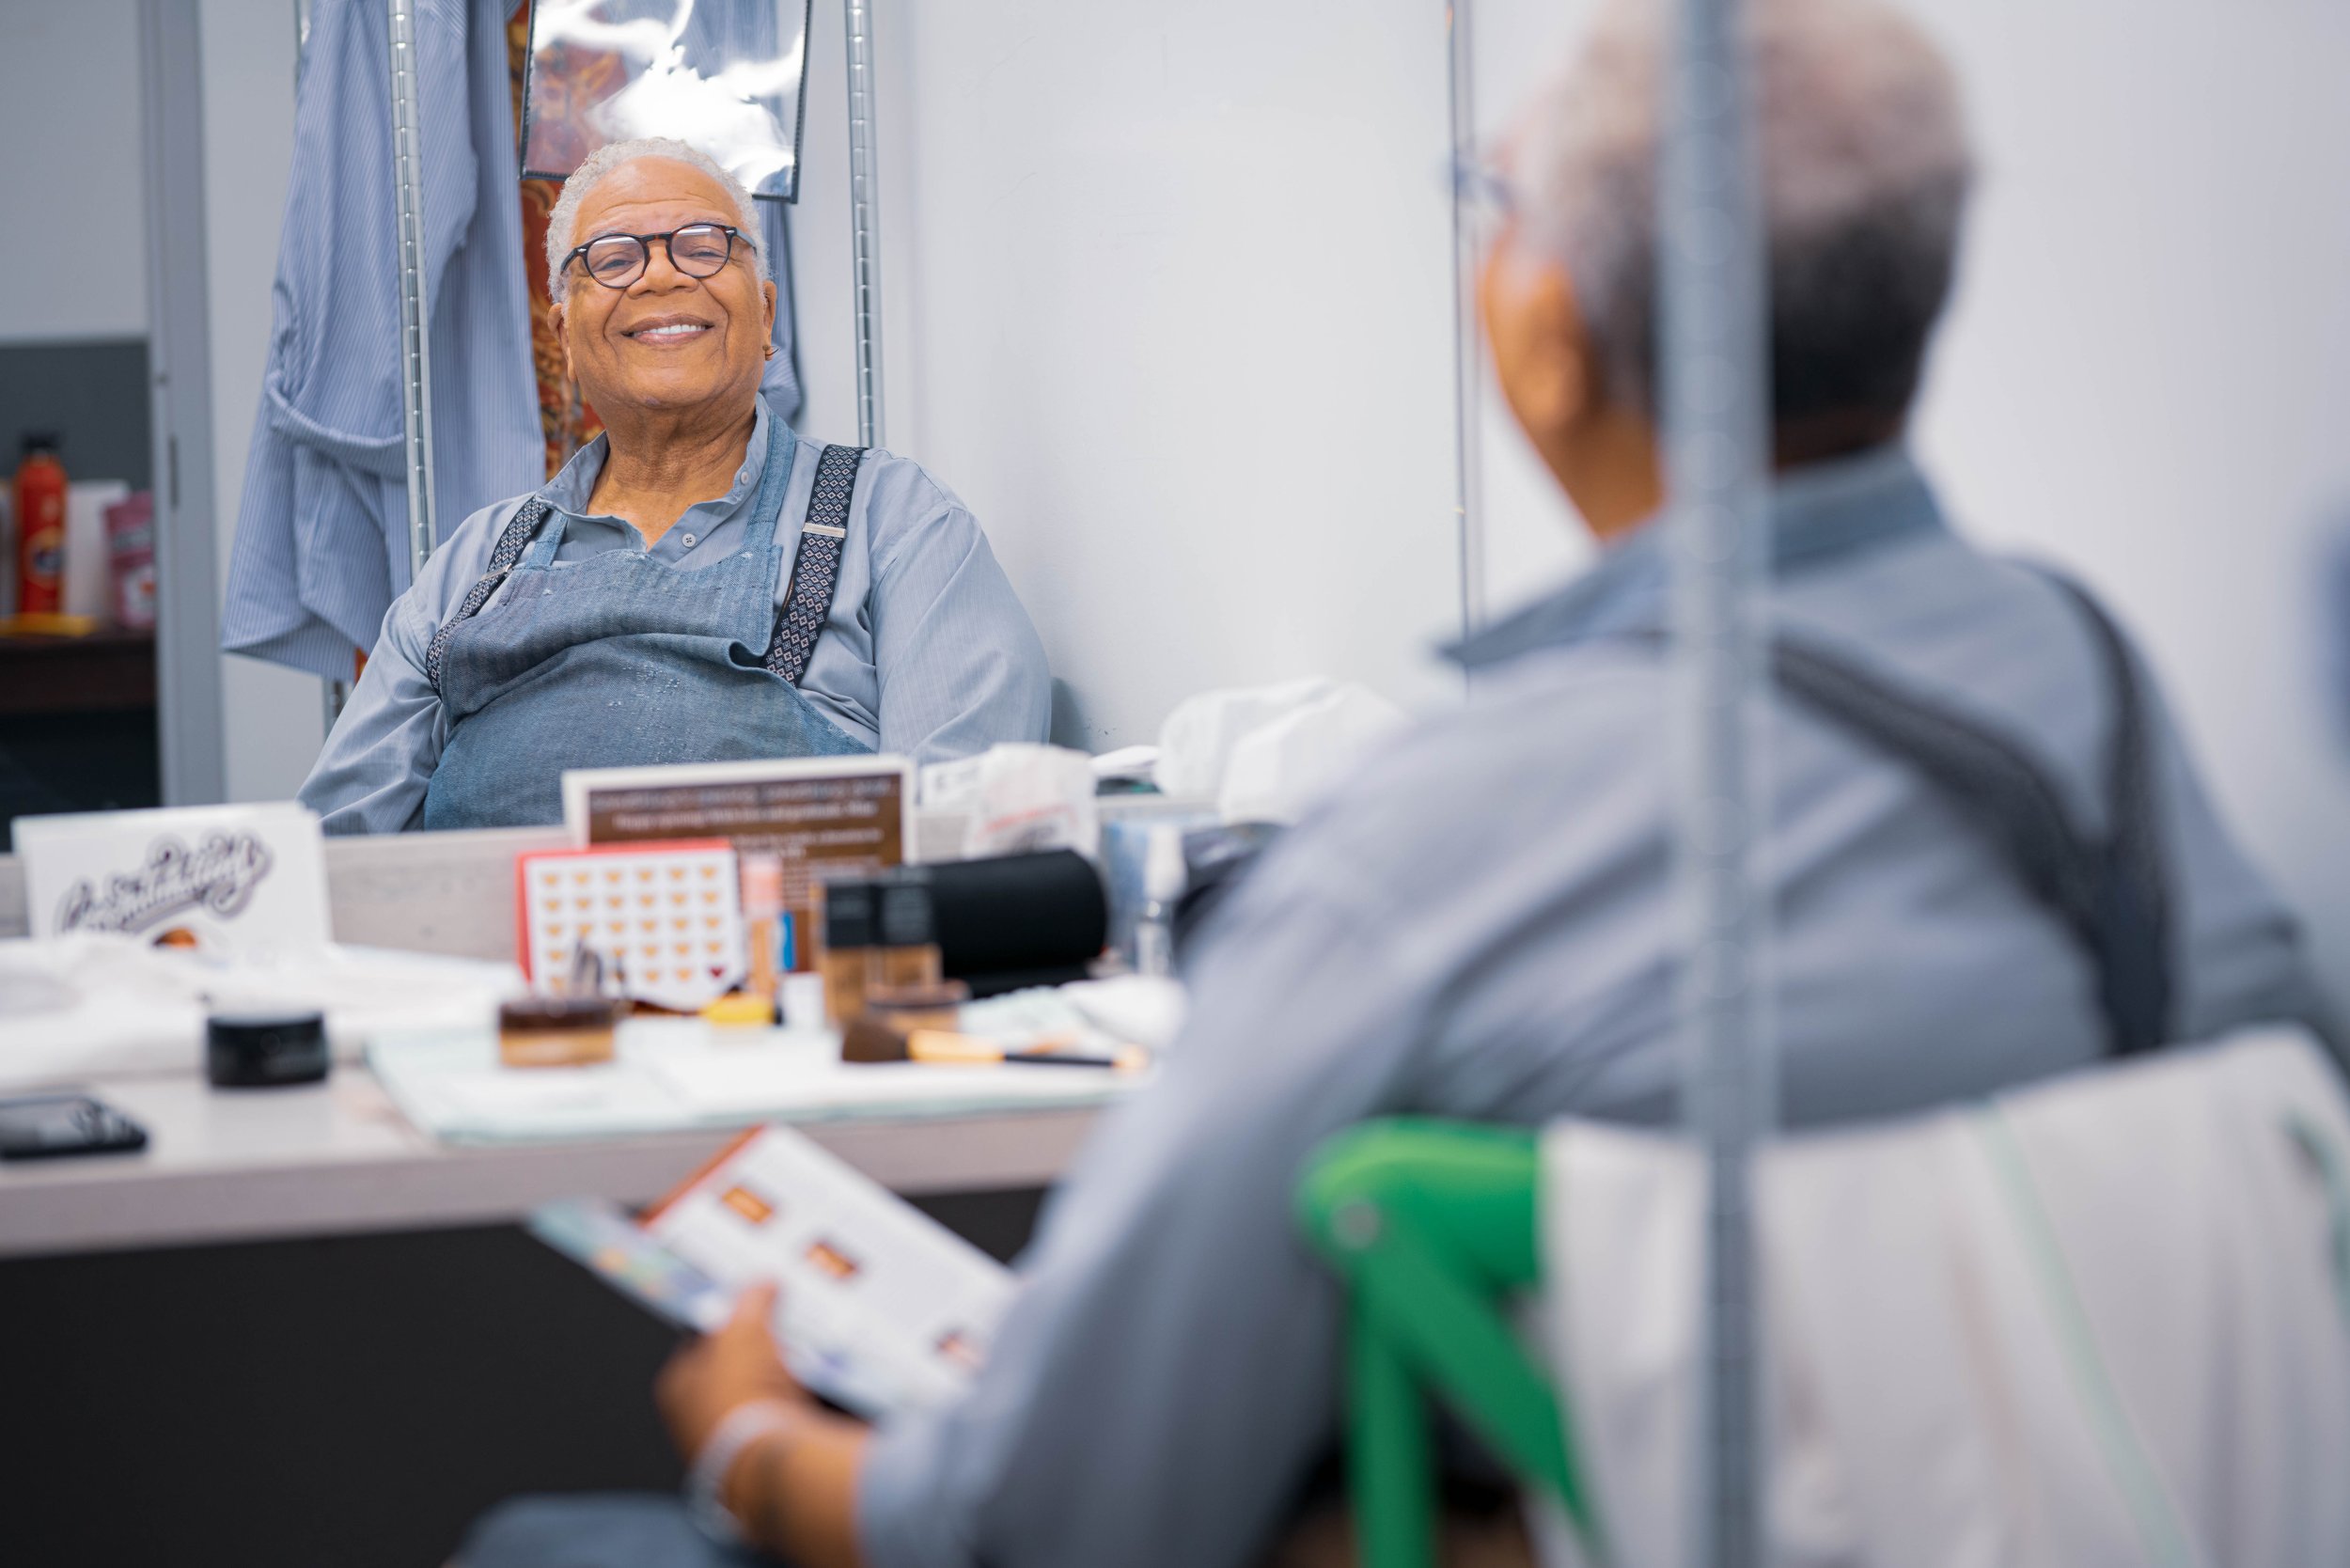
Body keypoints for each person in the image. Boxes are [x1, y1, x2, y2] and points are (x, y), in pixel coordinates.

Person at [460, 1, 2331, 1563]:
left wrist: (754, 1444)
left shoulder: (1425, 856)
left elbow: (1052, 1513)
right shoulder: (2099, 704)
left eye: (1487, 203)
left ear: (1540, 336)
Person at [299, 139, 1050, 834]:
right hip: (495, 969)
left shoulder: (895, 521)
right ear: (563, 335)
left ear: (764, 315)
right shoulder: (474, 562)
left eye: (703, 247)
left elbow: (963, 830)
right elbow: (335, 849)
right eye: (615, 259)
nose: (661, 274)